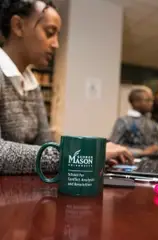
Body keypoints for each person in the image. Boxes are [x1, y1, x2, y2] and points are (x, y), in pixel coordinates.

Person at [0, 0, 133, 175]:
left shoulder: (32, 84)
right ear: (18, 26)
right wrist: (89, 154)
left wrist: (90, 153)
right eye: (50, 33)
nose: (56, 44)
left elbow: (44, 145)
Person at [110, 87, 158, 156]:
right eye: (147, 100)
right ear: (136, 102)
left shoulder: (152, 123)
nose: (151, 103)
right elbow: (113, 146)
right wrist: (141, 152)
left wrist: (155, 148)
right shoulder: (123, 121)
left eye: (152, 100)